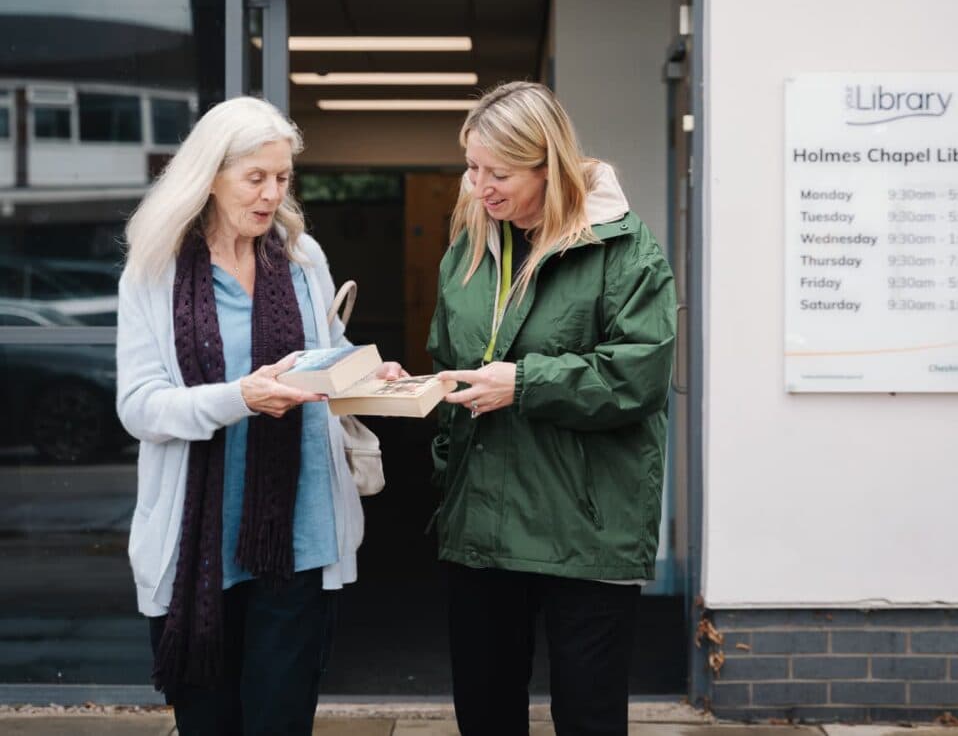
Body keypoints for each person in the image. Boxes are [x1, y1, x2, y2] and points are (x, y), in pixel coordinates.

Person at [116, 96, 403, 735]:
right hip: (197, 545)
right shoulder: (154, 273)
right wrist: (239, 398)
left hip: (300, 533)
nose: (272, 194)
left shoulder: (304, 260)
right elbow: (139, 407)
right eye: (255, 178)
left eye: (282, 178)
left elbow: (321, 360)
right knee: (209, 721)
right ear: (208, 178)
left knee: (282, 719)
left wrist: (365, 371)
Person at [427, 81, 677, 736]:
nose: (480, 186)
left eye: (499, 173)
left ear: (550, 166)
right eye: (473, 167)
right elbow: (446, 356)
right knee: (485, 712)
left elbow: (638, 375)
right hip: (482, 522)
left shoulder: (624, 251)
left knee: (588, 715)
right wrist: (422, 394)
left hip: (586, 526)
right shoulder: (470, 250)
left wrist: (525, 383)